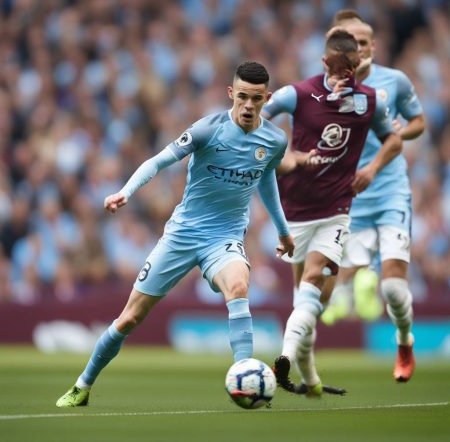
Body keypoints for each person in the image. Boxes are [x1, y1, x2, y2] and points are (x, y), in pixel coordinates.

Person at [56, 61, 295, 407]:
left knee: (239, 286)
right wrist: (127, 191)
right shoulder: (206, 129)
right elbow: (158, 160)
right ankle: (82, 385)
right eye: (242, 97)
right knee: (130, 318)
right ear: (231, 94)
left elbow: (267, 180)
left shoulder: (274, 140)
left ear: (266, 98)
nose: (247, 105)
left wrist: (283, 231)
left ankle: (244, 373)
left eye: (256, 99)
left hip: (224, 237)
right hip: (182, 234)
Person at [262, 29, 403, 395]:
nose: (349, 76)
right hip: (294, 211)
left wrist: (371, 170)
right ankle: (310, 381)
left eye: (354, 68)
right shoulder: (298, 94)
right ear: (326, 63)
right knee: (305, 301)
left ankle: (285, 359)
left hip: (336, 210)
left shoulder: (368, 101)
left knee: (314, 285)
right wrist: (286, 157)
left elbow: (393, 138)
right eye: (342, 68)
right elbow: (253, 118)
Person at [321, 10, 426, 383]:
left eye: (364, 42)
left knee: (395, 289)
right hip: (349, 196)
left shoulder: (393, 81)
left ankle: (404, 342)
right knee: (334, 286)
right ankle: (347, 293)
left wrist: (399, 128)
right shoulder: (324, 86)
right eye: (351, 43)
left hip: (390, 191)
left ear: (373, 45)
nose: (359, 49)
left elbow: (419, 122)